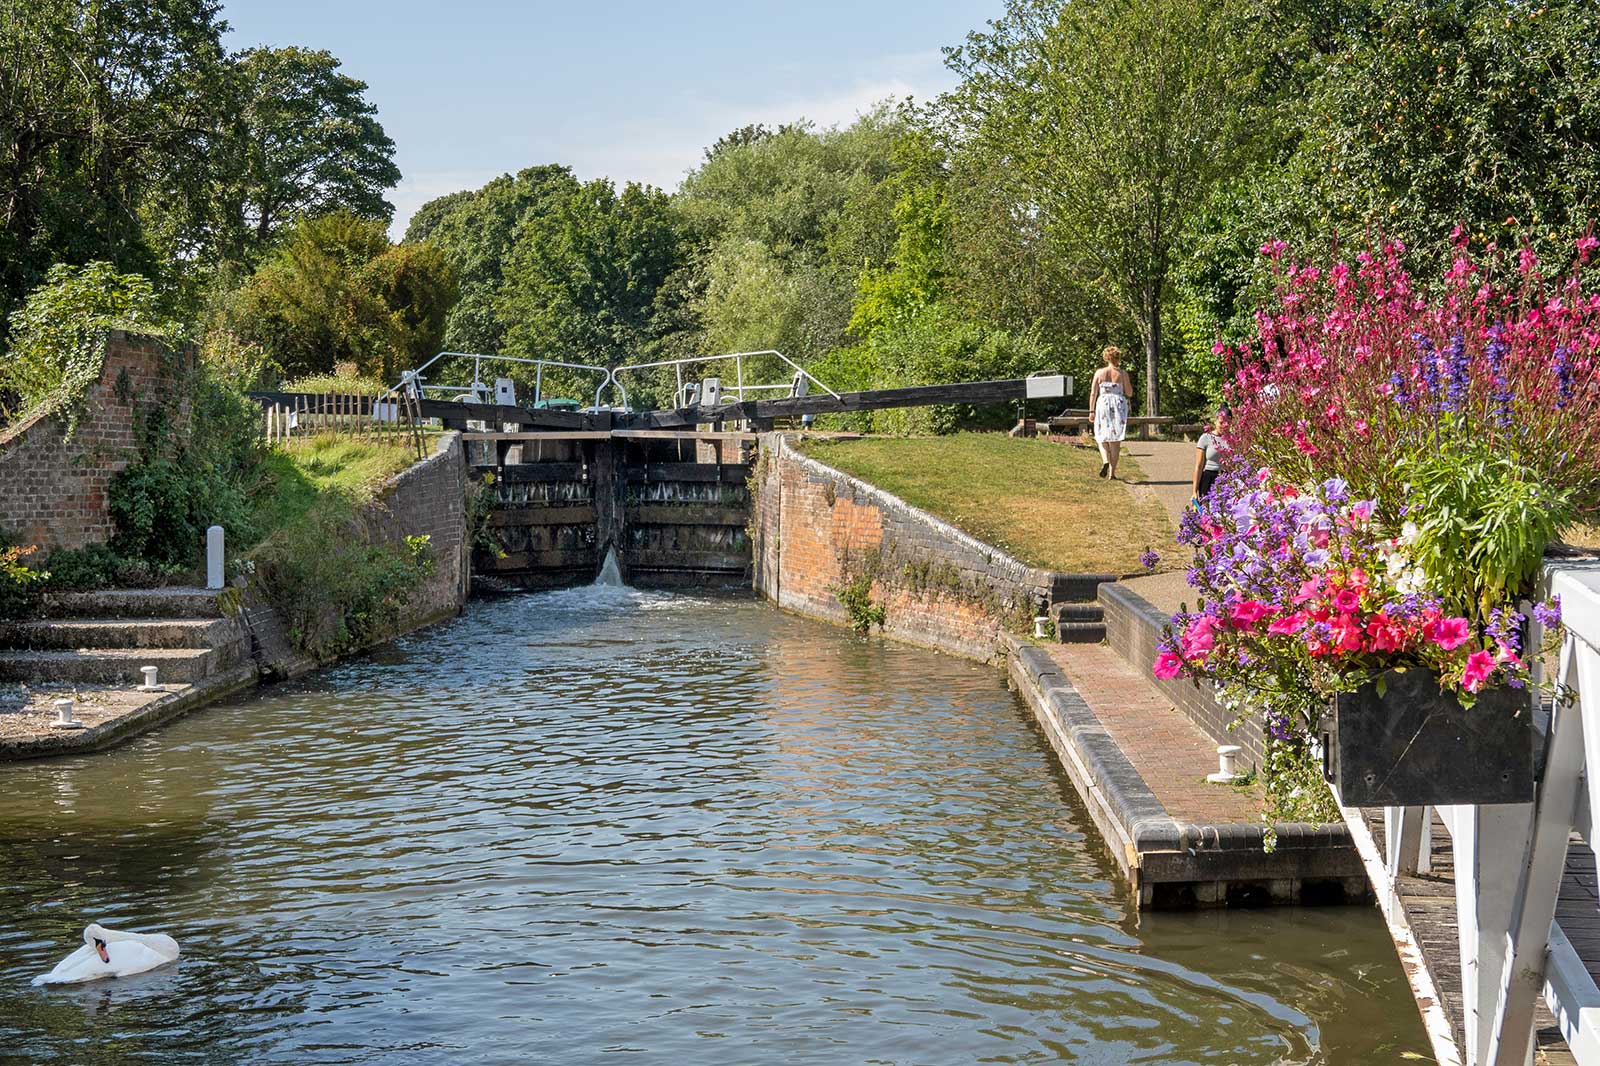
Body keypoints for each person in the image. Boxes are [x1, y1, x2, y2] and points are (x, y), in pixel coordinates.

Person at [1090, 345, 1133, 479]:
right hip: (1118, 405)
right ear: (1118, 358)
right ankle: (1112, 474)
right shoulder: (1122, 374)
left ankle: (1105, 460)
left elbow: (1093, 393)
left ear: (1106, 358)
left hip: (1103, 403)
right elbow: (1129, 393)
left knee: (1101, 435)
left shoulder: (1099, 373)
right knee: (1115, 440)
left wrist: (1091, 410)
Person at [1192, 405, 1229, 500]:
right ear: (1215, 422)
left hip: (1227, 478)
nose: (1224, 426)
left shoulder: (1234, 440)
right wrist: (1194, 491)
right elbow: (1199, 466)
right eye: (1221, 423)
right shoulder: (1205, 438)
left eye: (1227, 423)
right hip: (1208, 478)